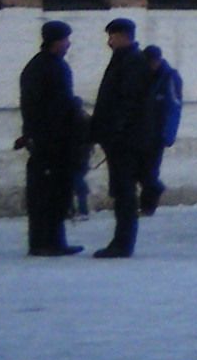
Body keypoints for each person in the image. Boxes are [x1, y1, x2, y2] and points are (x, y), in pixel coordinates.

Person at [87, 17, 162, 258]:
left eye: (112, 36)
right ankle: (150, 185)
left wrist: (116, 130)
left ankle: (122, 243)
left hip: (126, 139)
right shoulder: (125, 59)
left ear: (124, 36)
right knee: (123, 190)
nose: (109, 42)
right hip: (123, 137)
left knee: (124, 192)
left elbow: (127, 101)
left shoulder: (131, 61)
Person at [17, 21, 86, 257]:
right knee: (53, 192)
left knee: (43, 191)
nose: (68, 45)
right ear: (56, 41)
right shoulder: (53, 68)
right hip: (53, 140)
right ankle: (50, 241)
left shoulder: (36, 66)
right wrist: (75, 109)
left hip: (42, 137)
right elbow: (57, 105)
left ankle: (43, 240)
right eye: (65, 40)